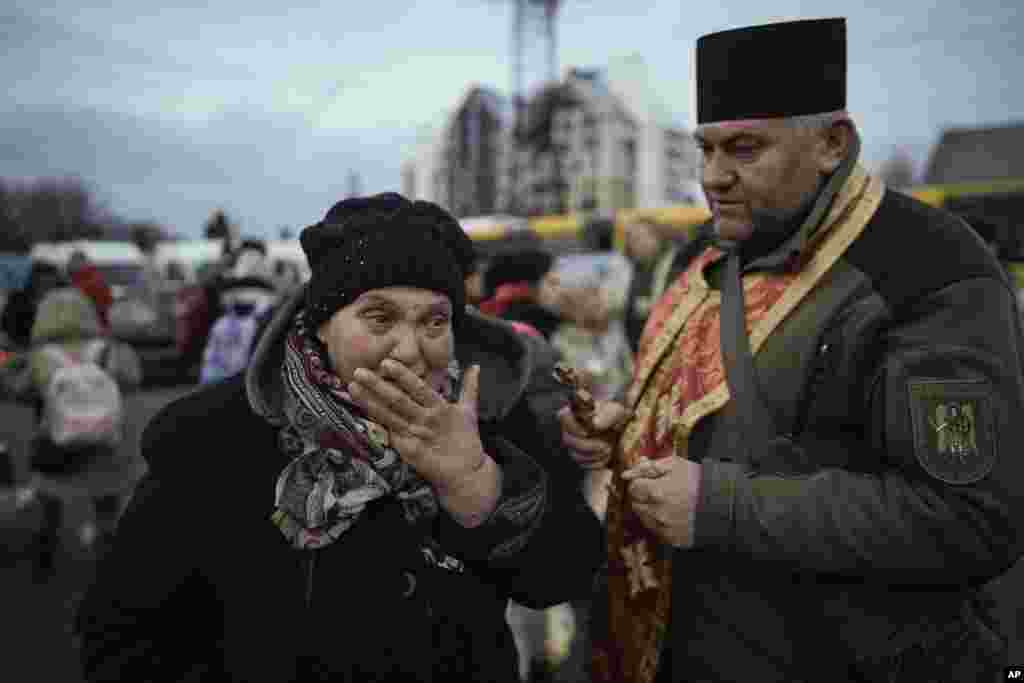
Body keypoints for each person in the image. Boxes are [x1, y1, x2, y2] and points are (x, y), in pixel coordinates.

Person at [560, 17, 1023, 683]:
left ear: (832, 143)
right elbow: (712, 418)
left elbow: (968, 517)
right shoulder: (702, 257)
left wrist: (719, 509)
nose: (712, 177)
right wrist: (627, 427)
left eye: (745, 149)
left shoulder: (928, 267)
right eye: (706, 150)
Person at [77, 192, 604, 682]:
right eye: (379, 317)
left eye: (434, 322)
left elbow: (566, 573)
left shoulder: (484, 416)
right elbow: (121, 639)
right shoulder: (218, 437)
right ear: (322, 322)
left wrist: (480, 488)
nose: (409, 350)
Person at [68, 250, 114, 331]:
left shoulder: (91, 282)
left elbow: (104, 307)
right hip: (92, 326)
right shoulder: (95, 279)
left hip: (92, 326)